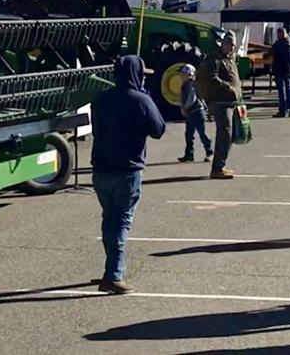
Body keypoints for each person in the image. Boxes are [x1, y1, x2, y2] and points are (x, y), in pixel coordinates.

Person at [91, 55, 166, 294]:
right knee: (122, 220)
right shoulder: (141, 101)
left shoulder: (101, 100)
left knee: (109, 218)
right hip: (128, 169)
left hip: (101, 168)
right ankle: (113, 274)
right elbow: (158, 130)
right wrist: (147, 100)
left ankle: (111, 267)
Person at [198, 32, 242, 180]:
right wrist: (228, 87)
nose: (231, 47)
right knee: (225, 134)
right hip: (221, 102)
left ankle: (221, 165)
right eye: (228, 44)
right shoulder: (214, 59)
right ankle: (217, 168)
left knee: (231, 134)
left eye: (233, 45)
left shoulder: (229, 59)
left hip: (231, 102)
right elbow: (211, 78)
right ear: (222, 44)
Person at [177, 64, 213, 163]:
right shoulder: (184, 85)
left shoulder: (192, 84)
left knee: (202, 133)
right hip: (190, 113)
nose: (181, 76)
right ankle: (189, 154)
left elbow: (191, 98)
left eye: (183, 74)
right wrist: (182, 107)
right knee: (189, 134)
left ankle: (210, 152)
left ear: (189, 74)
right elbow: (182, 98)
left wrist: (185, 107)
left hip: (197, 112)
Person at [271, 27, 290, 118]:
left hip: (279, 69)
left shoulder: (278, 44)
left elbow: (270, 53)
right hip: (289, 70)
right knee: (289, 90)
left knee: (282, 92)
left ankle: (283, 110)